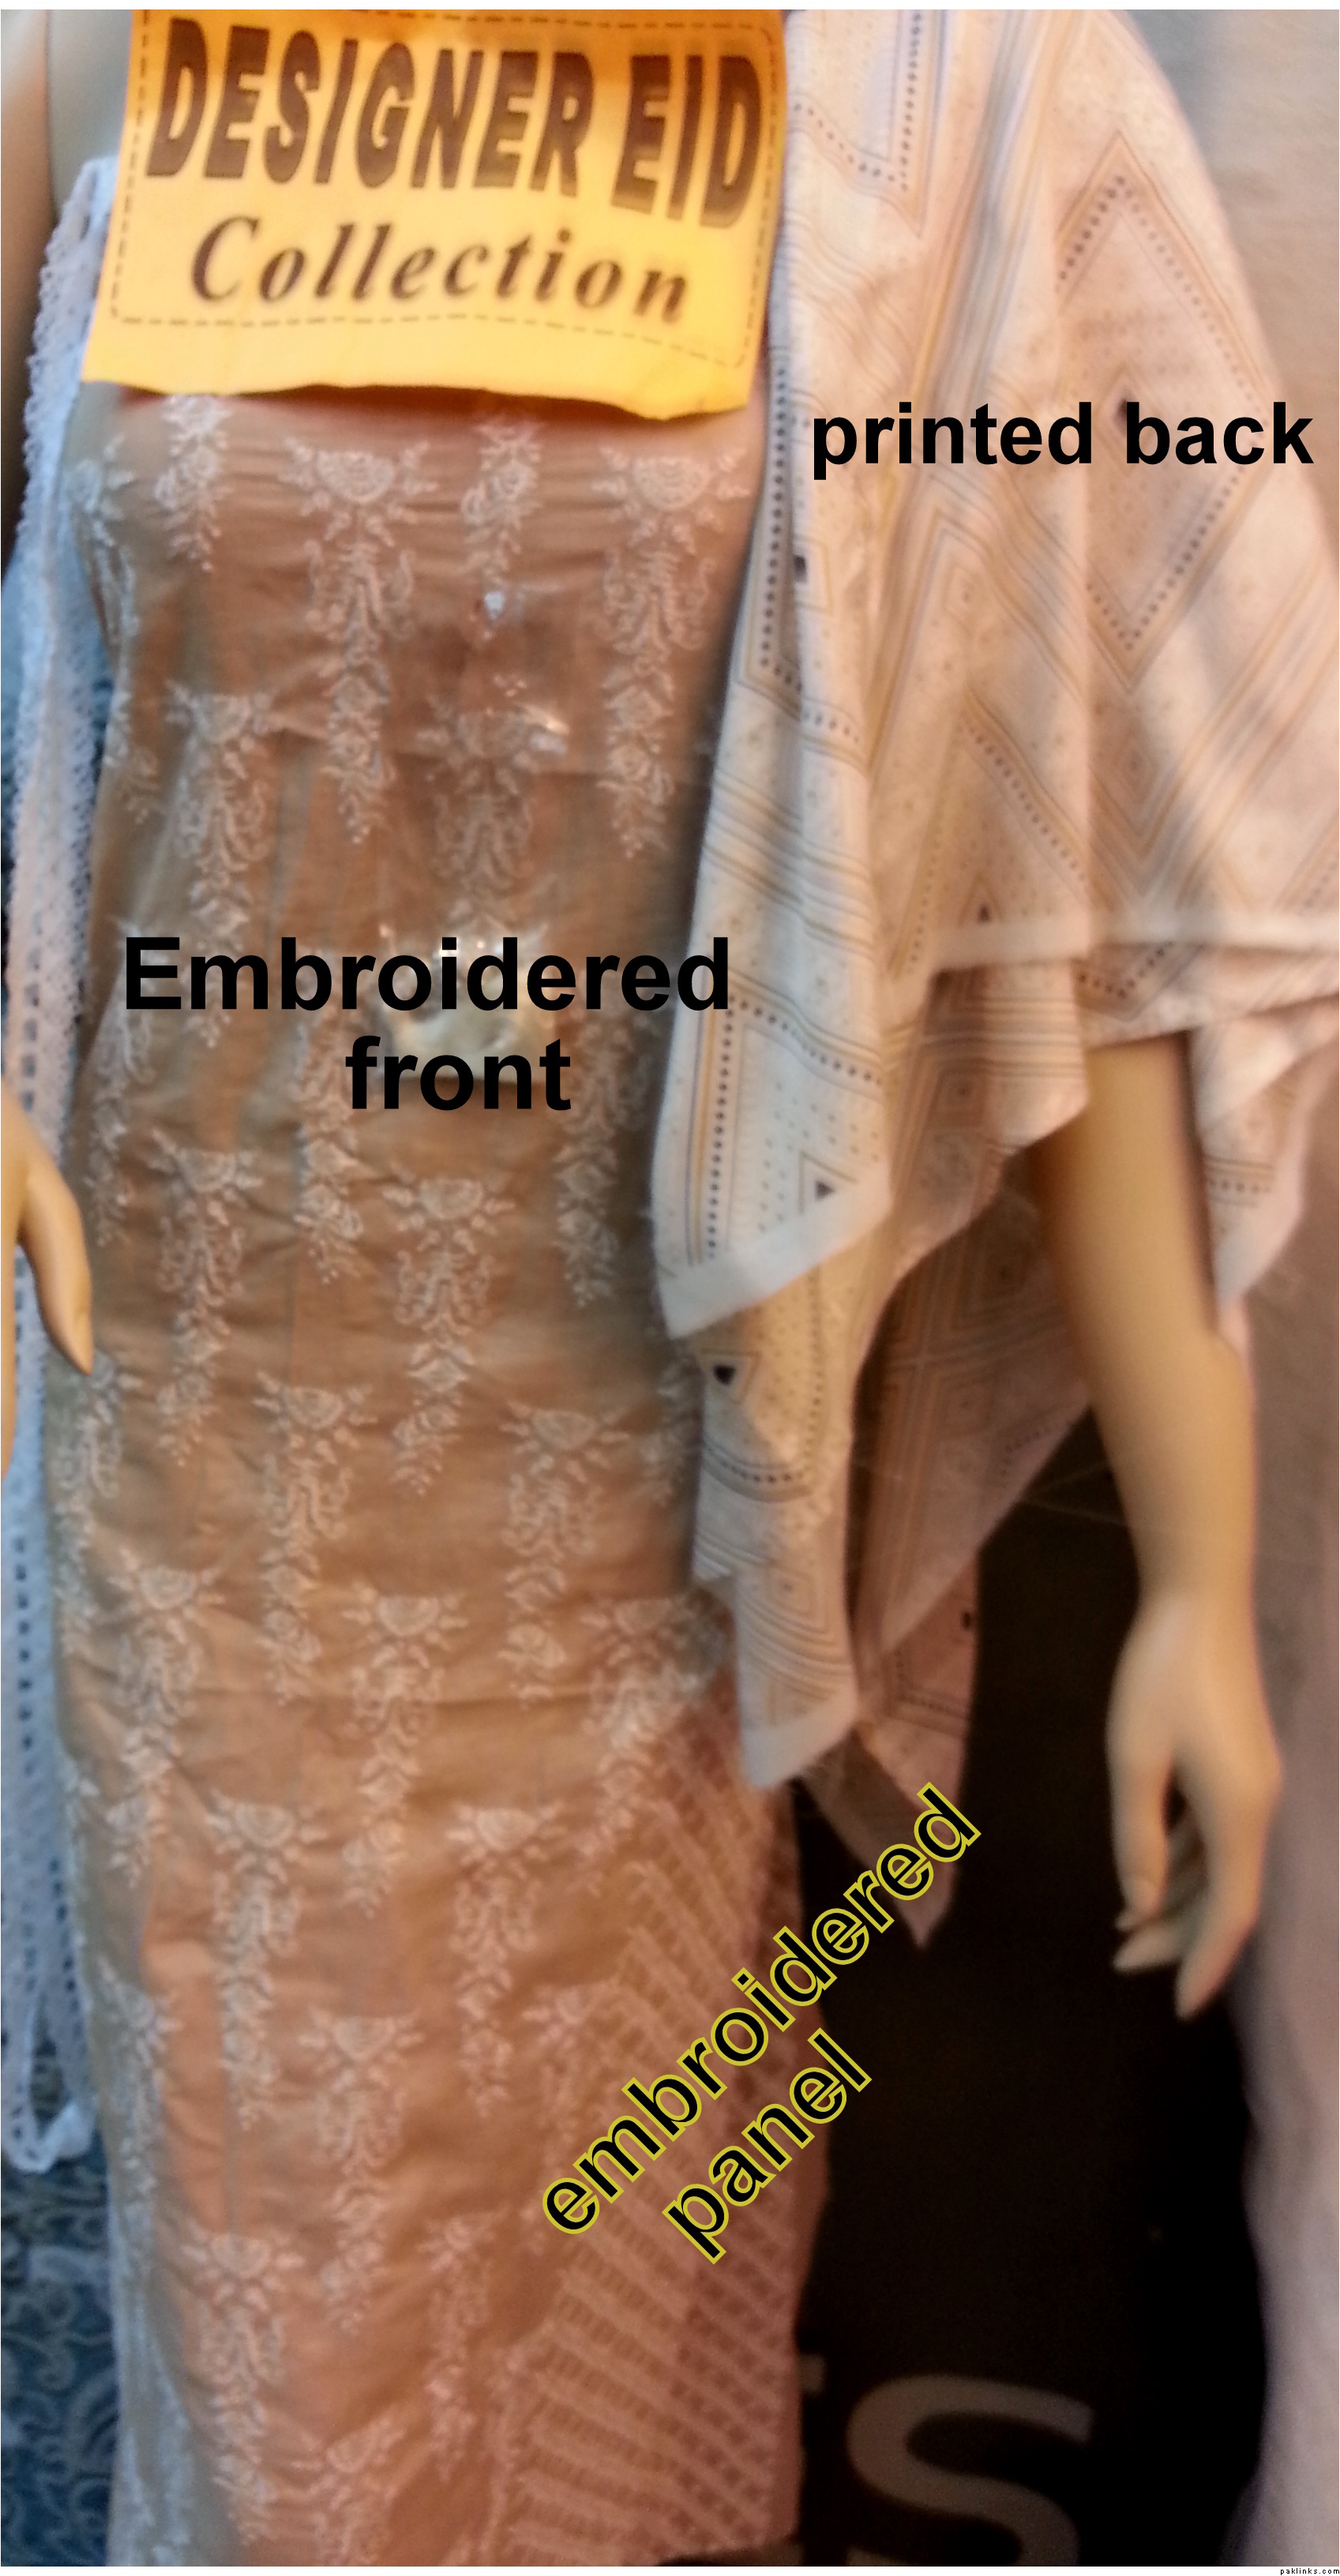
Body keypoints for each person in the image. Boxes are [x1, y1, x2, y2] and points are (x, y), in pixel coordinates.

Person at [2, 9, 1334, 2563]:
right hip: (206, 1511)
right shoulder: (105, 49)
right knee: (290, 2423)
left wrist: (1198, 1567)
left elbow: (1058, 882)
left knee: (617, 2292)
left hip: (653, 1542)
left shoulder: (958, 100)